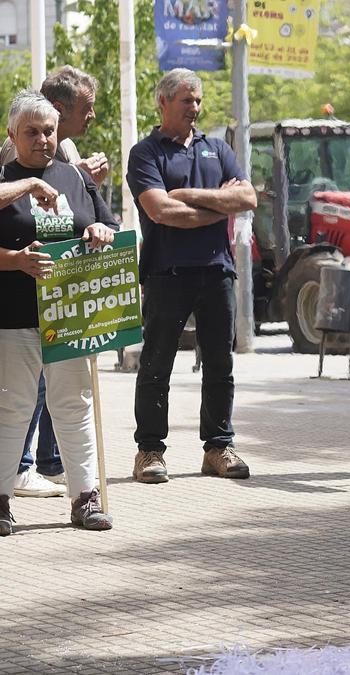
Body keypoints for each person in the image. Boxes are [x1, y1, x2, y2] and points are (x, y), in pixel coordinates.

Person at [126, 68, 257, 484]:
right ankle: (149, 451)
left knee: (220, 364)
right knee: (156, 364)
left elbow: (249, 197)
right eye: (187, 101)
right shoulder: (145, 153)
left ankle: (218, 447)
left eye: (198, 101)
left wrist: (189, 196)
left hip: (217, 272)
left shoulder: (217, 148)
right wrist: (219, 205)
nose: (195, 108)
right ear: (162, 102)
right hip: (167, 274)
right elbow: (160, 211)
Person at [0, 90, 118, 534]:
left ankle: (85, 497)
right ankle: (1, 499)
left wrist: (99, 230)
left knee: (74, 404)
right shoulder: (5, 177)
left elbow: (105, 223)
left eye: (48, 130)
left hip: (71, 314)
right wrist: (15, 260)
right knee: (11, 406)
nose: (42, 139)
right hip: (13, 315)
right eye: (31, 132)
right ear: (12, 135)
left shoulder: (73, 176)